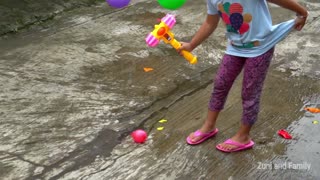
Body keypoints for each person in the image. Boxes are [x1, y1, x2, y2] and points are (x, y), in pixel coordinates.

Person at [179, 0, 308, 152]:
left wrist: (302, 12)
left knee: (250, 92)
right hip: (235, 47)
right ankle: (209, 126)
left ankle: (243, 136)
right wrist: (191, 45)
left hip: (260, 48)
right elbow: (210, 22)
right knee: (220, 84)